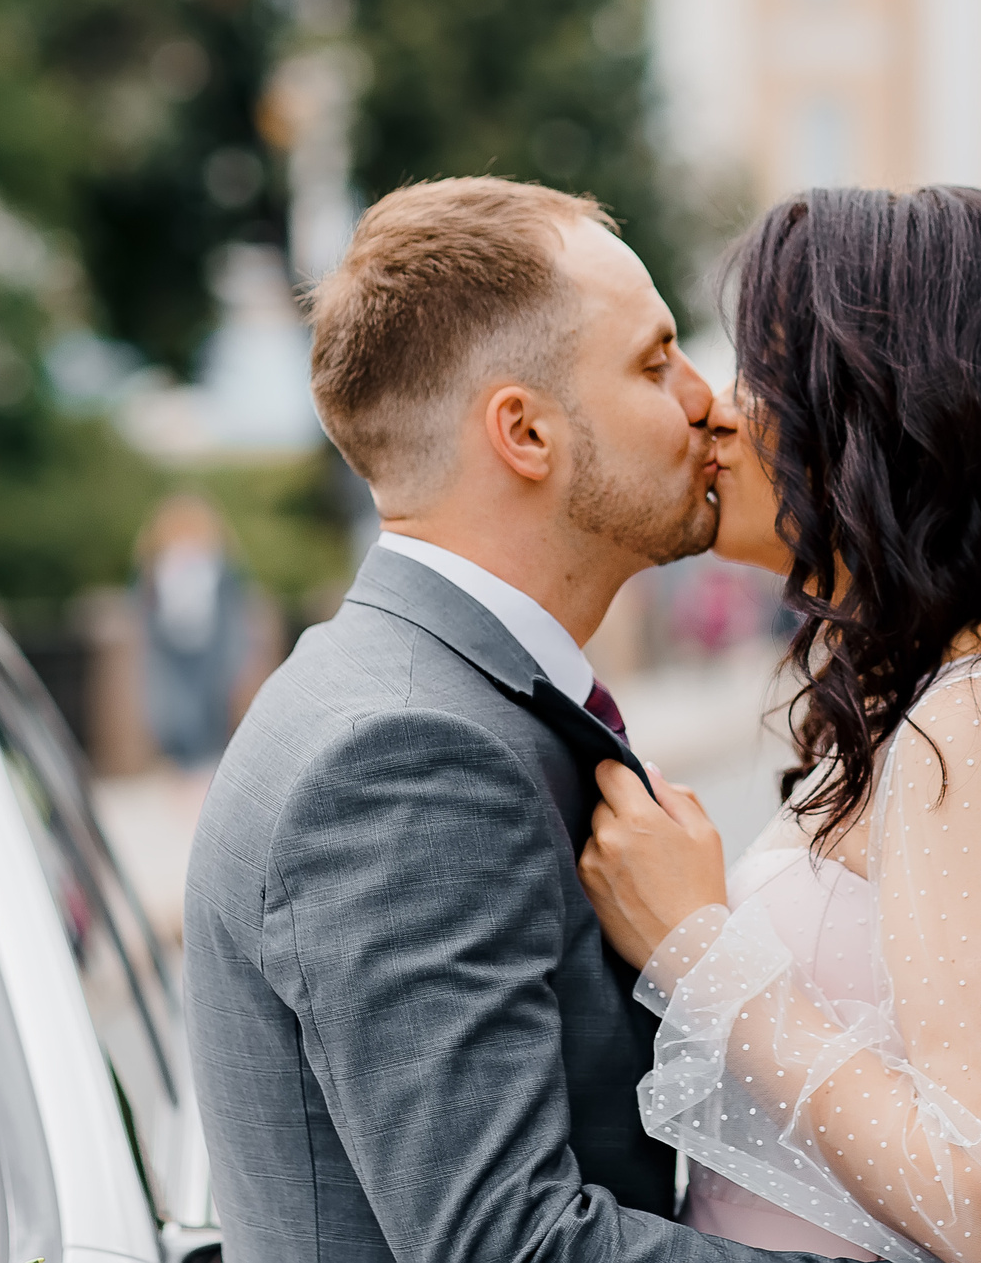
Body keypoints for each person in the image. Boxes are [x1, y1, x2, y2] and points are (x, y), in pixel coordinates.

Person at [182, 178, 837, 1263]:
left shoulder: (412, 690)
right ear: (526, 431)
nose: (707, 402)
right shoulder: (403, 756)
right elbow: (509, 1244)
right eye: (654, 362)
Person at [578, 186, 981, 1263]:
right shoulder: (927, 702)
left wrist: (697, 946)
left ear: (890, 412)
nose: (716, 412)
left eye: (764, 375)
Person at [131, 492, 246, 770]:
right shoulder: (154, 567)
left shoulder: (221, 567)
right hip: (170, 661)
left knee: (209, 721)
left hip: (211, 660)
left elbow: (235, 615)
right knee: (175, 720)